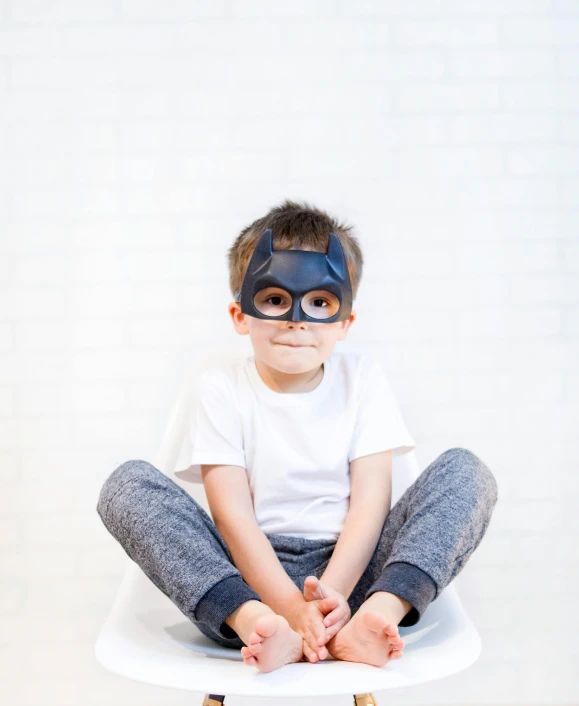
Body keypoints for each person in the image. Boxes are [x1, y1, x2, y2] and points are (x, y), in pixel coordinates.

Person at [96, 199, 498, 674]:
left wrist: (331, 601)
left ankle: (376, 617)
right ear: (240, 315)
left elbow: (371, 504)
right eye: (273, 299)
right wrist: (285, 606)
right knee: (127, 485)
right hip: (245, 578)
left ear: (345, 322)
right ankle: (259, 627)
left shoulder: (361, 378)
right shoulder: (221, 387)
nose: (297, 319)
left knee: (466, 472)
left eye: (320, 303)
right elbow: (232, 515)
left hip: (354, 574)